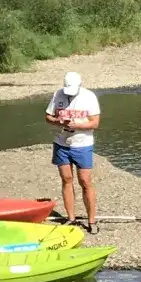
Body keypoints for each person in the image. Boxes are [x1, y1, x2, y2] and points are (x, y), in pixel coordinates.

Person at [45, 71, 101, 232]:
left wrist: (76, 125)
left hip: (82, 144)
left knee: (85, 181)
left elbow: (95, 123)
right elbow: (48, 117)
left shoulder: (89, 97)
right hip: (61, 143)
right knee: (66, 179)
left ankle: (91, 221)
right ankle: (71, 218)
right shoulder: (58, 95)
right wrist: (58, 121)